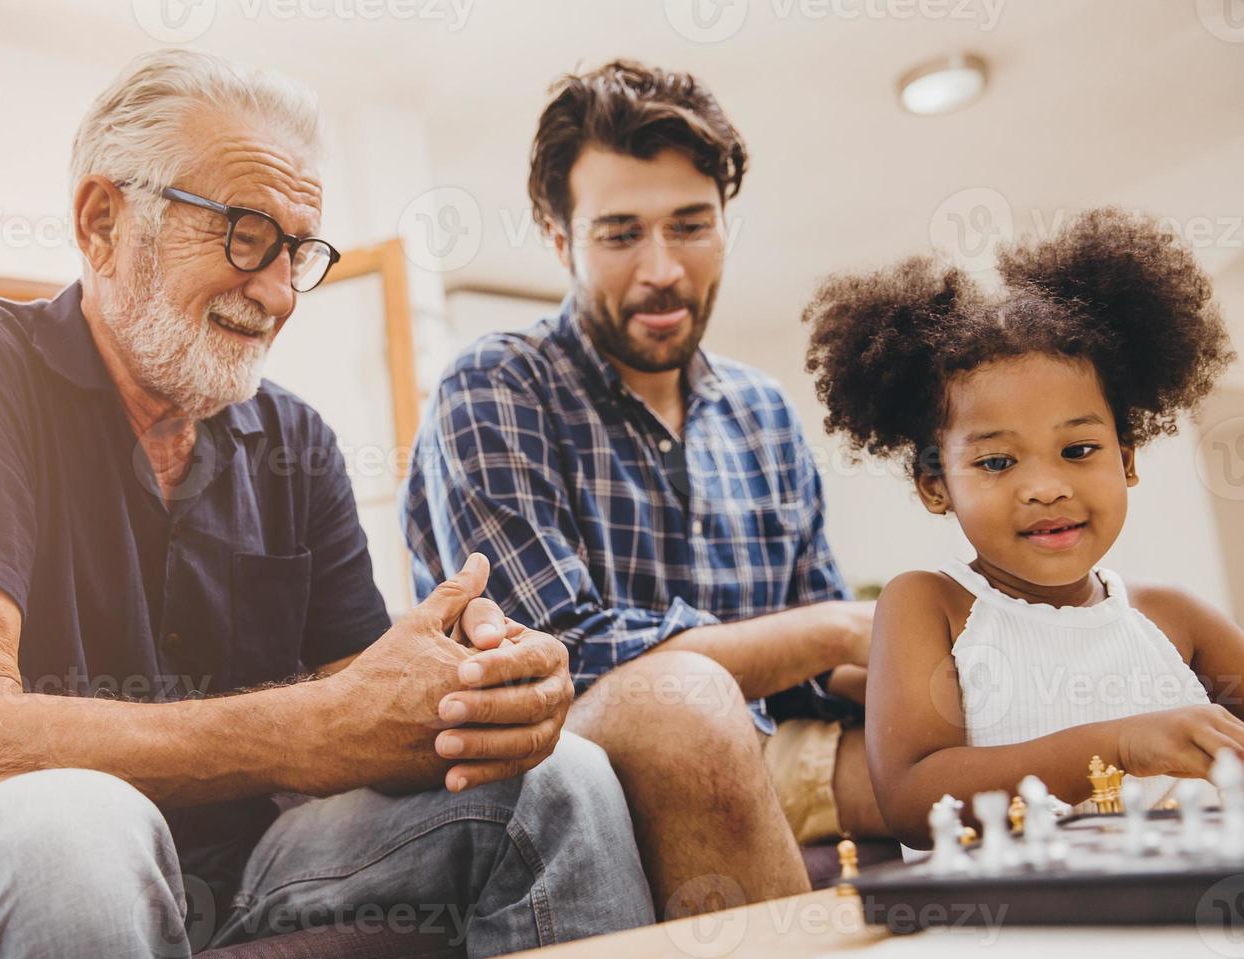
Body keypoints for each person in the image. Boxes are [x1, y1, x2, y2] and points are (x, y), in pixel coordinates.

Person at [0, 49, 652, 959]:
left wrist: (476, 690)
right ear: (103, 222)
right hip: (10, 849)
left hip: (256, 865)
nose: (280, 291)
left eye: (301, 251)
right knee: (78, 827)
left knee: (563, 780)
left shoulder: (299, 442)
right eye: (247, 232)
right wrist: (311, 724)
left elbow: (368, 707)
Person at [402, 60, 887, 915]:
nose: (662, 269)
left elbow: (819, 670)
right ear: (562, 242)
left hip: (769, 747)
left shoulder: (762, 411)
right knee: (683, 701)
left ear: (724, 226)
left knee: (996, 729)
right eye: (621, 234)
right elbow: (558, 655)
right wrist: (838, 626)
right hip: (579, 758)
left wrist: (943, 649)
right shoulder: (495, 387)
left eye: (690, 227)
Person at [804, 206, 1244, 848]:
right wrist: (1122, 745)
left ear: (1126, 462)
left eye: (1078, 451)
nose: (1045, 486)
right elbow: (912, 796)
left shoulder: (1175, 618)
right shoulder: (932, 607)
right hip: (1008, 931)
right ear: (936, 487)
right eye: (997, 462)